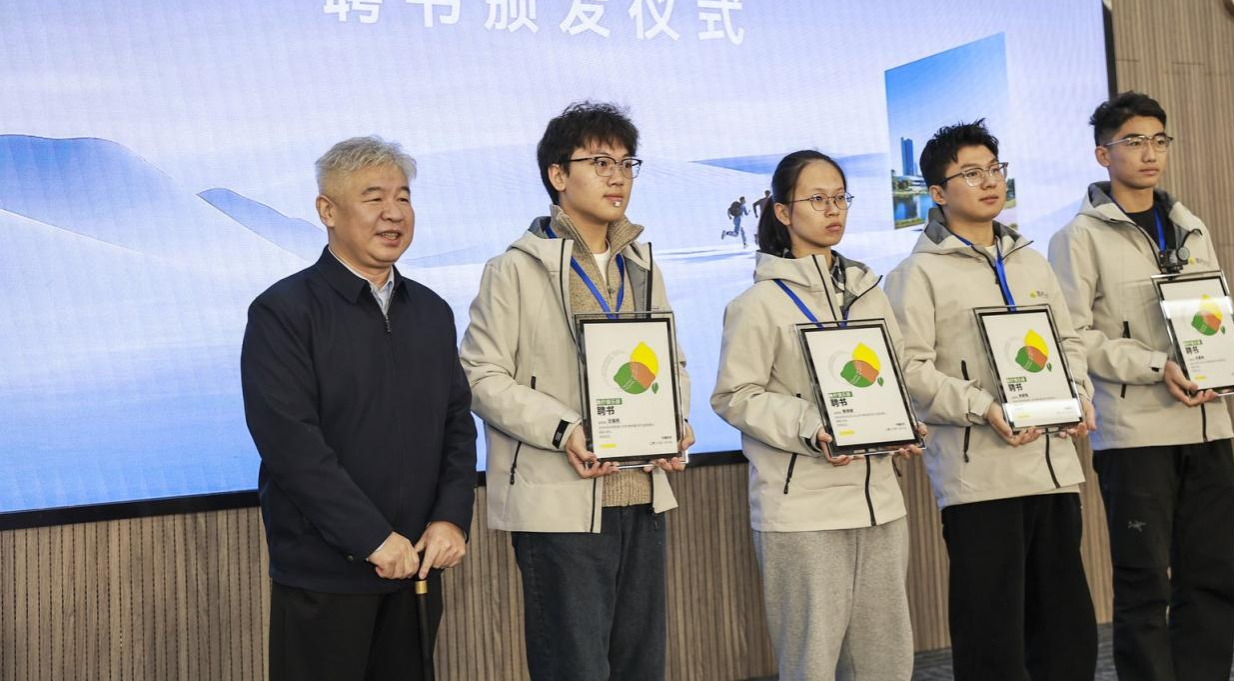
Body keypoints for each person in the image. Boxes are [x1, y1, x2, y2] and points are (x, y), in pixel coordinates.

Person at [460, 101, 695, 681]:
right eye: (599, 162)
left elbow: (671, 361)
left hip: (642, 495)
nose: (618, 177)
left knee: (641, 668)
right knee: (575, 668)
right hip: (559, 506)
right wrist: (565, 429)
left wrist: (675, 421)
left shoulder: (641, 265)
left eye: (627, 163)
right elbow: (480, 377)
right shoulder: (513, 269)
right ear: (557, 175)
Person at [1048, 92, 1234, 681]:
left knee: (1211, 576)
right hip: (1136, 434)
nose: (1150, 153)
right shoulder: (1078, 237)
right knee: (1145, 584)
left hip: (1208, 424)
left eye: (1159, 140)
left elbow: (1212, 312)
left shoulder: (1189, 226)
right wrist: (1155, 365)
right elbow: (1075, 337)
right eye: (1134, 142)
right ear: (1103, 154)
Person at [241, 136, 477, 681]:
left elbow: (456, 425)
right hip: (325, 574)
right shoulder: (284, 311)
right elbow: (291, 445)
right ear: (327, 211)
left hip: (416, 567)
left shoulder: (431, 311)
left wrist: (451, 517)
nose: (394, 213)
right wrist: (370, 538)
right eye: (374, 198)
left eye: (403, 197)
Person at [884, 120, 1098, 681]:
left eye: (995, 169)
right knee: (992, 637)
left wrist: (1078, 392)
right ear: (937, 192)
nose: (990, 182)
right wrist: (983, 407)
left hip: (1052, 469)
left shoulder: (1031, 260)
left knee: (1066, 632)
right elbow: (909, 371)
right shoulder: (915, 274)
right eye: (972, 173)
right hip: (979, 478)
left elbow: (1068, 341)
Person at [712, 150, 922, 681]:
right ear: (783, 212)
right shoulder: (758, 303)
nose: (833, 210)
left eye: (840, 198)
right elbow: (734, 395)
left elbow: (894, 376)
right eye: (817, 199)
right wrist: (812, 426)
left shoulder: (870, 294)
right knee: (811, 664)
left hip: (880, 505)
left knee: (886, 662)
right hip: (803, 512)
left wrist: (902, 422)